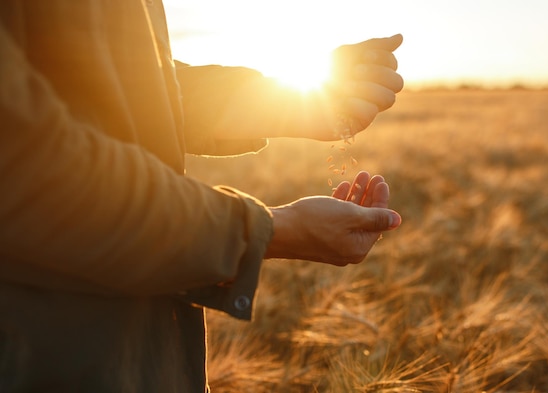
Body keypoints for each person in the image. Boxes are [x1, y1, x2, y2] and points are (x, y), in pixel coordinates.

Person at [0, 1, 403, 392]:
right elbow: (22, 168)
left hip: (145, 353)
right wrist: (271, 229)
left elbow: (112, 74)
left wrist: (293, 101)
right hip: (51, 359)